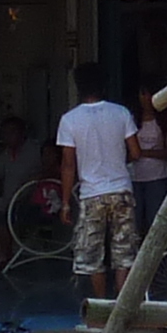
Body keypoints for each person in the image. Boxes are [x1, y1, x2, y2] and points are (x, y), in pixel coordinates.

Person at [55, 63, 141, 296]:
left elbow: (68, 164)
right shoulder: (121, 113)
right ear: (104, 85)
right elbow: (135, 153)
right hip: (122, 190)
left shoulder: (70, 120)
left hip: (91, 194)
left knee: (93, 257)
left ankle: (101, 310)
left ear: (78, 87)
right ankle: (121, 309)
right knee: (124, 253)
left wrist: (64, 202)